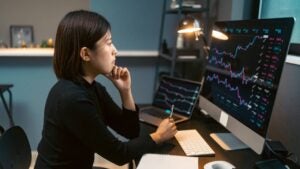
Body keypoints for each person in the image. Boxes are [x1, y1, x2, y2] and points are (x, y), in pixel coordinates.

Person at [34, 10, 177, 169]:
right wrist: (159, 136)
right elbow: (118, 154)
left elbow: (130, 131)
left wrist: (125, 91)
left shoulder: (92, 88)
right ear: (86, 54)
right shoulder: (72, 99)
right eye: (108, 43)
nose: (115, 50)